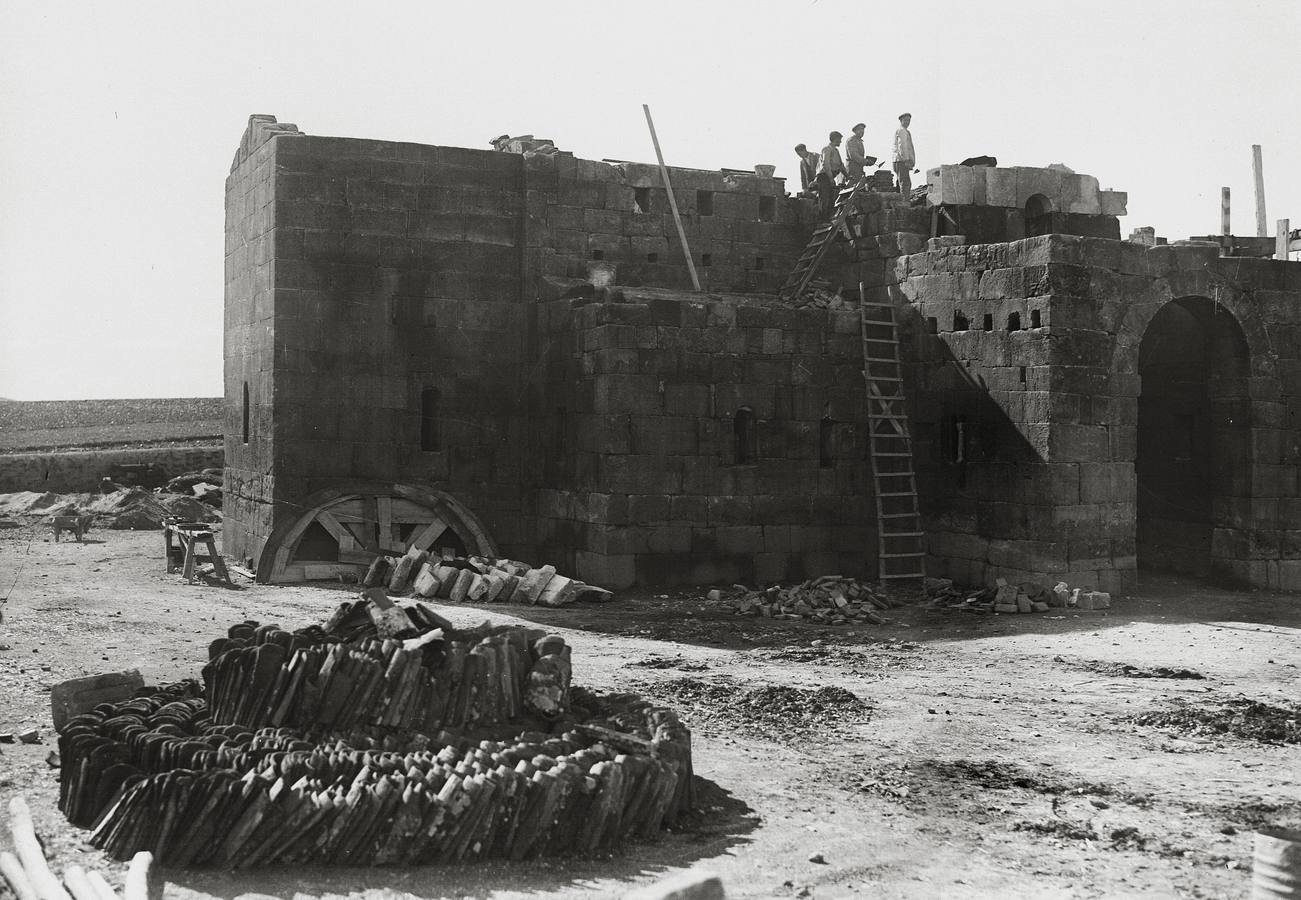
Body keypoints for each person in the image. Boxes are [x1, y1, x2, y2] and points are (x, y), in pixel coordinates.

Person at [816, 131, 845, 217]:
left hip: (831, 176)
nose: (840, 142)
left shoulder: (836, 151)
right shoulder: (826, 149)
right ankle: (822, 220)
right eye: (839, 140)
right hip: (824, 176)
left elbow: (841, 165)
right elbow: (826, 164)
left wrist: (847, 176)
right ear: (835, 139)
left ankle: (827, 218)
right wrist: (831, 179)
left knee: (831, 198)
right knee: (824, 198)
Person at [893, 113, 916, 198]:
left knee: (901, 182)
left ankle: (901, 202)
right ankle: (904, 203)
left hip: (900, 160)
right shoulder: (902, 130)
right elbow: (902, 146)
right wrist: (906, 160)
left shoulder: (905, 131)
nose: (907, 122)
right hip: (901, 161)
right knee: (905, 183)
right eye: (905, 120)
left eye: (909, 120)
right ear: (901, 121)